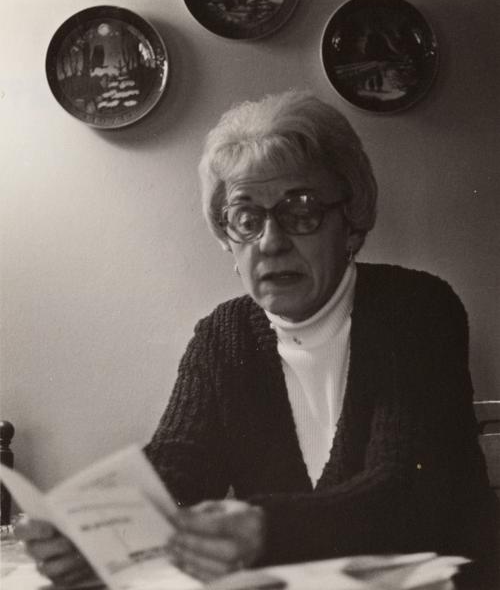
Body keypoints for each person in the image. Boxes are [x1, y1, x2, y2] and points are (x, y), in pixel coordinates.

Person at [17, 90, 498, 587]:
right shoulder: (223, 337)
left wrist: (266, 528)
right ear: (228, 239)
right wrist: (95, 534)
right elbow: (175, 469)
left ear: (351, 224)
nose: (271, 242)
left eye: (302, 212)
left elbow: (401, 492)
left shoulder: (417, 309)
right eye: (247, 219)